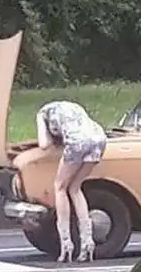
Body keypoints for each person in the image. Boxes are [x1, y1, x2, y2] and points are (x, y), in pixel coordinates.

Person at [36, 100, 108, 263]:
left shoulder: (43, 113)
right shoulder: (73, 107)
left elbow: (44, 144)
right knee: (75, 187)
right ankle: (87, 241)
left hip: (77, 142)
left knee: (60, 187)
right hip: (99, 140)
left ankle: (66, 243)